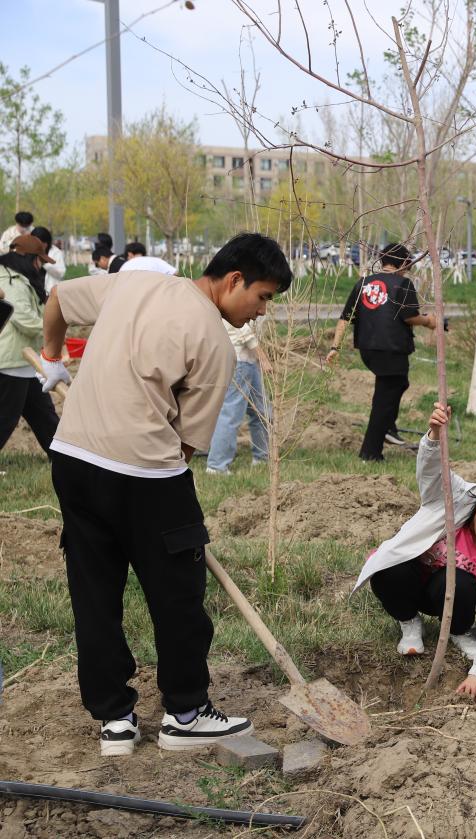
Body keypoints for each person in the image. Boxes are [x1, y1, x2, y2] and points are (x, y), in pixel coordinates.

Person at [37, 233, 292, 757]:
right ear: (234, 280)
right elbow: (184, 446)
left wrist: (52, 356)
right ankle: (186, 714)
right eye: (263, 297)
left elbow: (58, 298)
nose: (261, 311)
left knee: (94, 592)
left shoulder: (133, 284)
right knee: (178, 595)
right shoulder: (215, 342)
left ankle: (114, 720)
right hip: (147, 475)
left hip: (73, 459)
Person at [351, 402, 476, 702]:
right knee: (388, 571)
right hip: (412, 583)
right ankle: (409, 623)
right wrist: (435, 435)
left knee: (461, 581)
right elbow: (433, 472)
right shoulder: (453, 498)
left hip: (449, 596)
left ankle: (458, 633)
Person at [324, 243, 442, 462]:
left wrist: (335, 347)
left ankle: (388, 427)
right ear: (405, 263)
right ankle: (370, 452)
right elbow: (410, 316)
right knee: (385, 398)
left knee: (397, 385)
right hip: (392, 348)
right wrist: (429, 321)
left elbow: (345, 318)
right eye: (409, 265)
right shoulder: (403, 284)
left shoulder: (363, 283)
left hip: (368, 349)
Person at [0, 235, 58, 455]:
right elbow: (22, 317)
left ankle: (64, 459)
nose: (39, 266)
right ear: (28, 258)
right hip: (11, 361)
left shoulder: (19, 278)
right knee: (5, 418)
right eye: (39, 261)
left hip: (26, 362)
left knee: (45, 417)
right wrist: (52, 328)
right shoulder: (10, 280)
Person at [205, 318, 271, 475]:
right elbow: (242, 329)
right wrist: (262, 357)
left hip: (250, 361)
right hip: (239, 361)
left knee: (262, 411)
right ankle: (216, 466)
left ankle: (261, 458)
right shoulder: (234, 306)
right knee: (231, 414)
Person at [29, 227, 66, 292]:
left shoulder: (56, 252)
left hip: (49, 292)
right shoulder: (29, 252)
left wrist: (45, 264)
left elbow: (61, 273)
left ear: (46, 243)